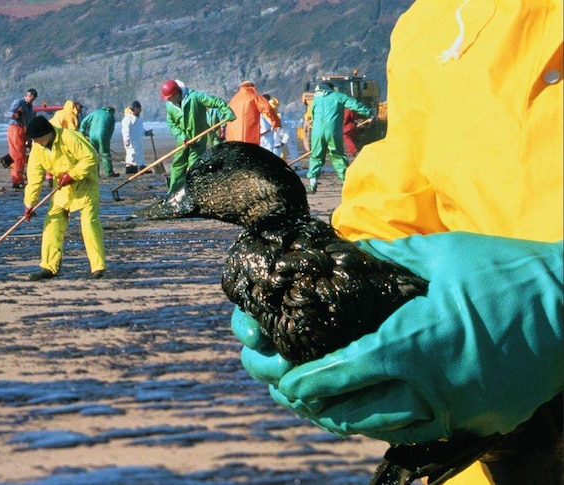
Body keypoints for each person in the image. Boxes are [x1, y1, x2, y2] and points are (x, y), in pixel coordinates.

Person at [231, 2, 562, 484]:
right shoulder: (433, 21)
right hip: (480, 435)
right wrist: (344, 269)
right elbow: (399, 182)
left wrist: (552, 288)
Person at [22, 116, 106, 281]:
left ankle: (98, 267)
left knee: (89, 224)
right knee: (52, 224)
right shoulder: (37, 149)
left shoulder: (69, 137)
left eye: (37, 138)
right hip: (61, 189)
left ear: (47, 133)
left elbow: (91, 157)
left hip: (85, 185)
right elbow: (34, 177)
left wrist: (73, 175)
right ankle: (48, 267)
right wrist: (30, 204)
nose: (36, 142)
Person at [161, 79, 235, 194]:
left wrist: (226, 111)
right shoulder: (170, 106)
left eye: (169, 97)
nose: (168, 100)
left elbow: (216, 101)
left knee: (194, 165)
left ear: (176, 93)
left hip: (198, 138)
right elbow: (172, 124)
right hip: (183, 140)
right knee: (177, 165)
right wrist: (182, 136)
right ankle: (173, 191)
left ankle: (191, 190)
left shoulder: (195, 97)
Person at [306, 82, 372, 193]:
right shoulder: (338, 96)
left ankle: (312, 184)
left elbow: (313, 116)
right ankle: (346, 183)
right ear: (332, 89)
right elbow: (354, 104)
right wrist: (368, 113)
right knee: (338, 156)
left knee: (316, 156)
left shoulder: (316, 100)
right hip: (333, 131)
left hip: (316, 132)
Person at [225, 80, 280, 145]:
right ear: (252, 87)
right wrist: (276, 122)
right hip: (249, 134)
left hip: (234, 135)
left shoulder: (233, 100)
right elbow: (267, 108)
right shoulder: (254, 97)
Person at [4, 88, 38, 189]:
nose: (31, 100)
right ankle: (16, 180)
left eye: (33, 99)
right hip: (16, 129)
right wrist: (15, 115)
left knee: (22, 155)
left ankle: (20, 178)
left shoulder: (30, 107)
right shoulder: (19, 102)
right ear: (27, 95)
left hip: (24, 130)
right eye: (31, 98)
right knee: (16, 154)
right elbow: (6, 114)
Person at [79, 105, 118, 177]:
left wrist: (82, 133)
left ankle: (95, 173)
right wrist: (107, 141)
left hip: (92, 135)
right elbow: (111, 130)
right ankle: (109, 172)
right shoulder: (111, 116)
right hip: (102, 135)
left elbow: (84, 121)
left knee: (94, 154)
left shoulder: (95, 112)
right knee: (105, 153)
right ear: (112, 111)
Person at [121, 100, 146, 174]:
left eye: (140, 108)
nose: (140, 110)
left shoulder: (139, 119)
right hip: (131, 140)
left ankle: (142, 167)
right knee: (131, 153)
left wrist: (146, 132)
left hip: (138, 139)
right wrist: (126, 139)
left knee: (139, 153)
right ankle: (130, 169)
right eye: (138, 109)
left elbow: (141, 129)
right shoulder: (128, 118)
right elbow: (125, 130)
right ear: (134, 109)